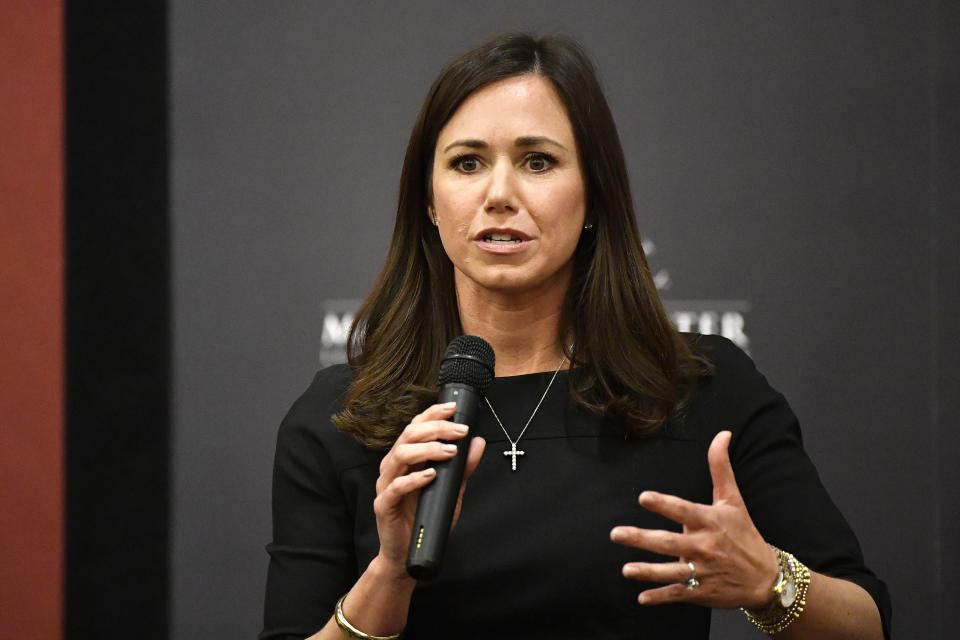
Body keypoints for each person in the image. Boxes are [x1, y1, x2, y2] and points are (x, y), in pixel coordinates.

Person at [260, 33, 890, 640]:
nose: (499, 194)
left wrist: (769, 580)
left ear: (593, 194)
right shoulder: (340, 418)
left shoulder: (701, 389)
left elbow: (866, 621)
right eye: (467, 162)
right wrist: (391, 573)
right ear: (429, 199)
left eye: (538, 162)